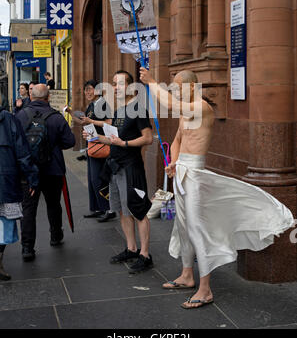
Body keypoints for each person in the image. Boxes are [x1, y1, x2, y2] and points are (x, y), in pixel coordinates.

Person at [139, 67, 295, 309]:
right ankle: (187, 274)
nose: (177, 91)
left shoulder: (201, 107)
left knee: (198, 227)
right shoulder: (185, 110)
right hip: (182, 172)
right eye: (175, 88)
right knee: (183, 225)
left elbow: (170, 106)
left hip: (196, 174)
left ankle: (205, 290)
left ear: (192, 86)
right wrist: (173, 163)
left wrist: (151, 83)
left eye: (179, 87)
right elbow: (179, 139)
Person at [86, 70, 154, 273]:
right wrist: (95, 136)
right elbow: (112, 139)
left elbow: (148, 138)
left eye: (120, 84)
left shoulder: (138, 109)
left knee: (137, 210)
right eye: (114, 84)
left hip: (131, 167)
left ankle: (145, 254)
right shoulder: (119, 110)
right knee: (122, 210)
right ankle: (132, 248)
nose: (115, 88)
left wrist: (124, 143)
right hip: (115, 166)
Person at [16, 84, 75, 261]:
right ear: (48, 97)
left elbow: (14, 144)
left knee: (28, 208)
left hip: (28, 171)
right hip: (53, 169)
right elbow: (70, 142)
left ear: (31, 97)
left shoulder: (20, 116)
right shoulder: (56, 117)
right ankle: (55, 235)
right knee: (53, 204)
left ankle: (27, 247)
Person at [0, 104, 38, 279]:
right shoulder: (9, 119)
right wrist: (32, 177)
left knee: (5, 226)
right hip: (6, 182)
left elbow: (22, 152)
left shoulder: (9, 120)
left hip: (5, 181)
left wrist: (31, 177)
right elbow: (23, 152)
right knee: (4, 225)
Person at [67, 80, 114, 220]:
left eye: (90, 89)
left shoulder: (103, 104)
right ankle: (97, 208)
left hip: (102, 144)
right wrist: (70, 113)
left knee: (99, 179)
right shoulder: (92, 105)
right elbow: (83, 121)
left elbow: (109, 122)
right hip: (92, 144)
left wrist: (92, 122)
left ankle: (108, 209)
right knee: (92, 179)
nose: (87, 92)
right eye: (85, 90)